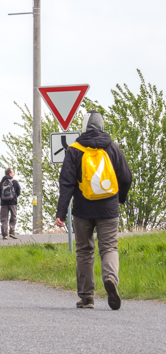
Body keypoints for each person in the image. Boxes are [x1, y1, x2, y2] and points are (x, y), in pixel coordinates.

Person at [55, 110, 132, 310]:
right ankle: (110, 278)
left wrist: (61, 213)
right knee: (109, 248)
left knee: (84, 251)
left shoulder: (74, 150)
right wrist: (119, 199)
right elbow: (126, 178)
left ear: (84, 126)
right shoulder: (113, 148)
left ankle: (87, 297)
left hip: (82, 210)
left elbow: (67, 184)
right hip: (109, 208)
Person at [0, 168, 21, 240]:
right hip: (13, 202)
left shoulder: (2, 182)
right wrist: (14, 197)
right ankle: (12, 232)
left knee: (4, 218)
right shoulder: (14, 182)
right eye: (13, 172)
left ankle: (5, 234)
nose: (14, 174)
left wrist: (3, 198)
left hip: (4, 203)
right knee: (13, 217)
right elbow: (18, 191)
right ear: (10, 174)